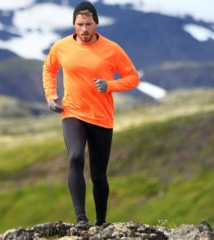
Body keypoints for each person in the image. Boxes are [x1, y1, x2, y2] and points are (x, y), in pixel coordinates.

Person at [42, 1, 140, 226]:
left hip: (101, 117)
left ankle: (101, 222)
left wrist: (110, 85)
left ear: (96, 23)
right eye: (79, 24)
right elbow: (49, 68)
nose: (84, 29)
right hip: (72, 112)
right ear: (74, 24)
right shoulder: (61, 46)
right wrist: (51, 96)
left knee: (98, 175)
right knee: (75, 157)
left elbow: (133, 77)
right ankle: (81, 219)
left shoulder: (112, 49)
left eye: (88, 24)